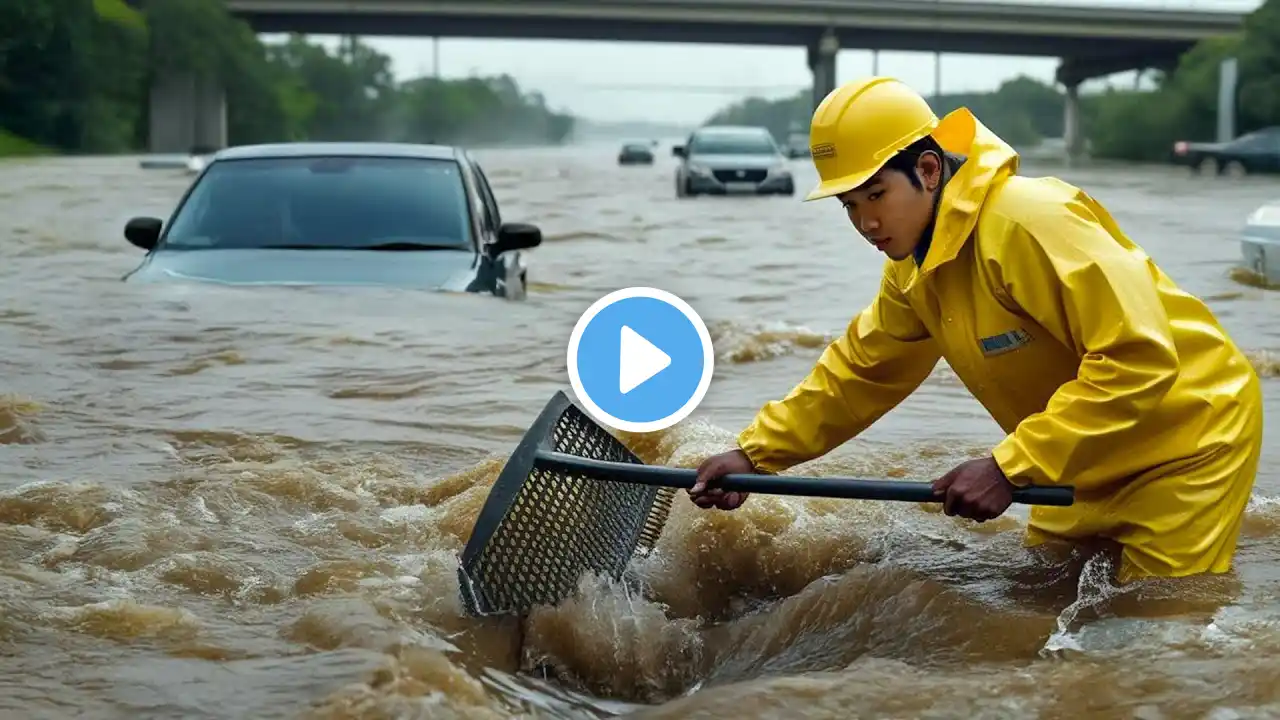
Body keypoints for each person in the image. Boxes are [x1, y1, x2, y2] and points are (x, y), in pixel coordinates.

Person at [689, 76, 1264, 584]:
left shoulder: (1028, 221)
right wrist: (755, 454)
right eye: (849, 205)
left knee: (1151, 624)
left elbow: (1139, 359)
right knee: (1038, 604)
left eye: (876, 195)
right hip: (1081, 454)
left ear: (928, 169)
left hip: (1186, 444)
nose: (866, 222)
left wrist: (1008, 466)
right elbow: (861, 373)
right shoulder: (913, 271)